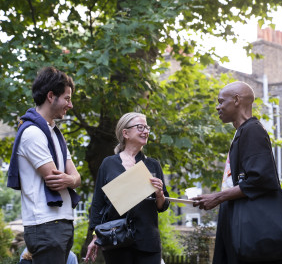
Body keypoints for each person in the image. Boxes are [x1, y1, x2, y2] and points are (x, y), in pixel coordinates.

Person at [192, 81, 282, 264]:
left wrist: (218, 197)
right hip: (239, 225)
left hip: (252, 235)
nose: (218, 107)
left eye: (221, 101)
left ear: (237, 100)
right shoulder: (243, 132)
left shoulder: (252, 131)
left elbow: (262, 179)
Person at [7, 67, 81, 264]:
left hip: (60, 222)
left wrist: (71, 179)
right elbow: (54, 178)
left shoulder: (55, 134)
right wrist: (70, 179)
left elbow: (75, 178)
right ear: (51, 96)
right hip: (45, 224)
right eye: (67, 98)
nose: (70, 105)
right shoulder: (32, 133)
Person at [85, 112, 170, 264]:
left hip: (147, 240)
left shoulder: (152, 165)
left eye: (147, 127)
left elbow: (162, 206)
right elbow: (98, 203)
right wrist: (95, 236)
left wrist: (159, 194)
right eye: (140, 127)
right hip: (115, 239)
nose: (146, 131)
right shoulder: (108, 164)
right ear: (125, 133)